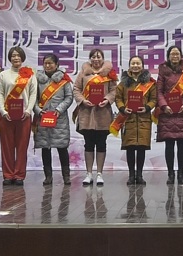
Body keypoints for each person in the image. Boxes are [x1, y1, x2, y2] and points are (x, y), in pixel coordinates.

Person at [73, 49, 117, 186]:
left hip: (103, 114)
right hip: (87, 113)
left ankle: (99, 173)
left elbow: (114, 90)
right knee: (89, 144)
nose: (96, 59)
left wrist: (107, 99)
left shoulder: (109, 74)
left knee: (101, 144)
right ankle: (88, 173)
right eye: (93, 57)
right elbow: (76, 89)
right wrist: (82, 100)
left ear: (103, 59)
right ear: (90, 59)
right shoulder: (83, 73)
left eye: (99, 57)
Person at [156, 46, 183, 185]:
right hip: (167, 112)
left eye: (177, 54)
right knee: (169, 145)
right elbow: (159, 91)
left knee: (181, 145)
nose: (175, 56)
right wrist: (164, 105)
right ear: (168, 56)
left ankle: (180, 174)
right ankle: (170, 174)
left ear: (181, 56)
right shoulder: (163, 71)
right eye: (172, 54)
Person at [0, 46, 37, 186]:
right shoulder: (3, 75)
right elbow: (0, 93)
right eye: (13, 55)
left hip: (24, 116)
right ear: (9, 58)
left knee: (21, 146)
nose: (16, 58)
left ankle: (19, 175)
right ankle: (8, 175)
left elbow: (33, 94)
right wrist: (3, 111)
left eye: (18, 55)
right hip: (7, 116)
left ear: (22, 57)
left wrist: (28, 110)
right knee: (7, 146)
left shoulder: (30, 75)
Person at [115, 56, 157, 185]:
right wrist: (123, 108)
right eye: (133, 63)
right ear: (129, 66)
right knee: (130, 148)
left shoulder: (149, 83)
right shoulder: (123, 83)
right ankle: (131, 175)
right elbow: (118, 98)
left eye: (138, 63)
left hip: (143, 119)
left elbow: (154, 99)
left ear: (142, 66)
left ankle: (139, 175)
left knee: (141, 148)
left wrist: (147, 107)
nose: (135, 66)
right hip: (129, 119)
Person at [33, 53, 74, 185]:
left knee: (62, 148)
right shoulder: (37, 79)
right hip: (43, 117)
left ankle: (66, 176)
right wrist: (38, 111)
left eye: (50, 63)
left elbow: (69, 97)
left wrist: (59, 109)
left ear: (57, 65)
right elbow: (33, 98)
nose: (48, 65)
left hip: (59, 119)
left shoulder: (63, 79)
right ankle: (48, 176)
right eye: (45, 63)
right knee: (45, 148)